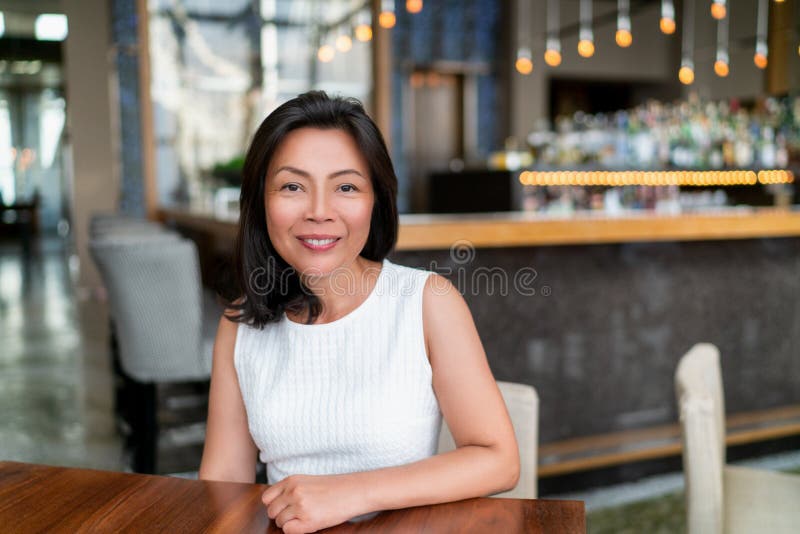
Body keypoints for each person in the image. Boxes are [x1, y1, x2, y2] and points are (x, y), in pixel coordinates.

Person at [199, 91, 519, 534]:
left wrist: (351, 492)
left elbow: (498, 460)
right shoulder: (241, 324)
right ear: (260, 202)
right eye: (293, 186)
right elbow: (223, 486)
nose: (318, 212)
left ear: (376, 201)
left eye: (346, 187)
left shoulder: (426, 302)